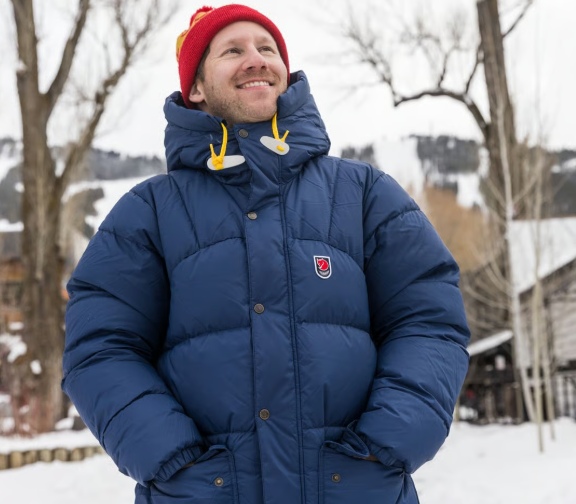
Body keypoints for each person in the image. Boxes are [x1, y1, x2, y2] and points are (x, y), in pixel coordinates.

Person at [62, 4, 470, 504]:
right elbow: (100, 348)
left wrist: (385, 445)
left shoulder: (363, 195)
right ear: (196, 88)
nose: (256, 59)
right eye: (232, 51)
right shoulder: (148, 213)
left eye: (267, 48)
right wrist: (173, 461)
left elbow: (429, 321)